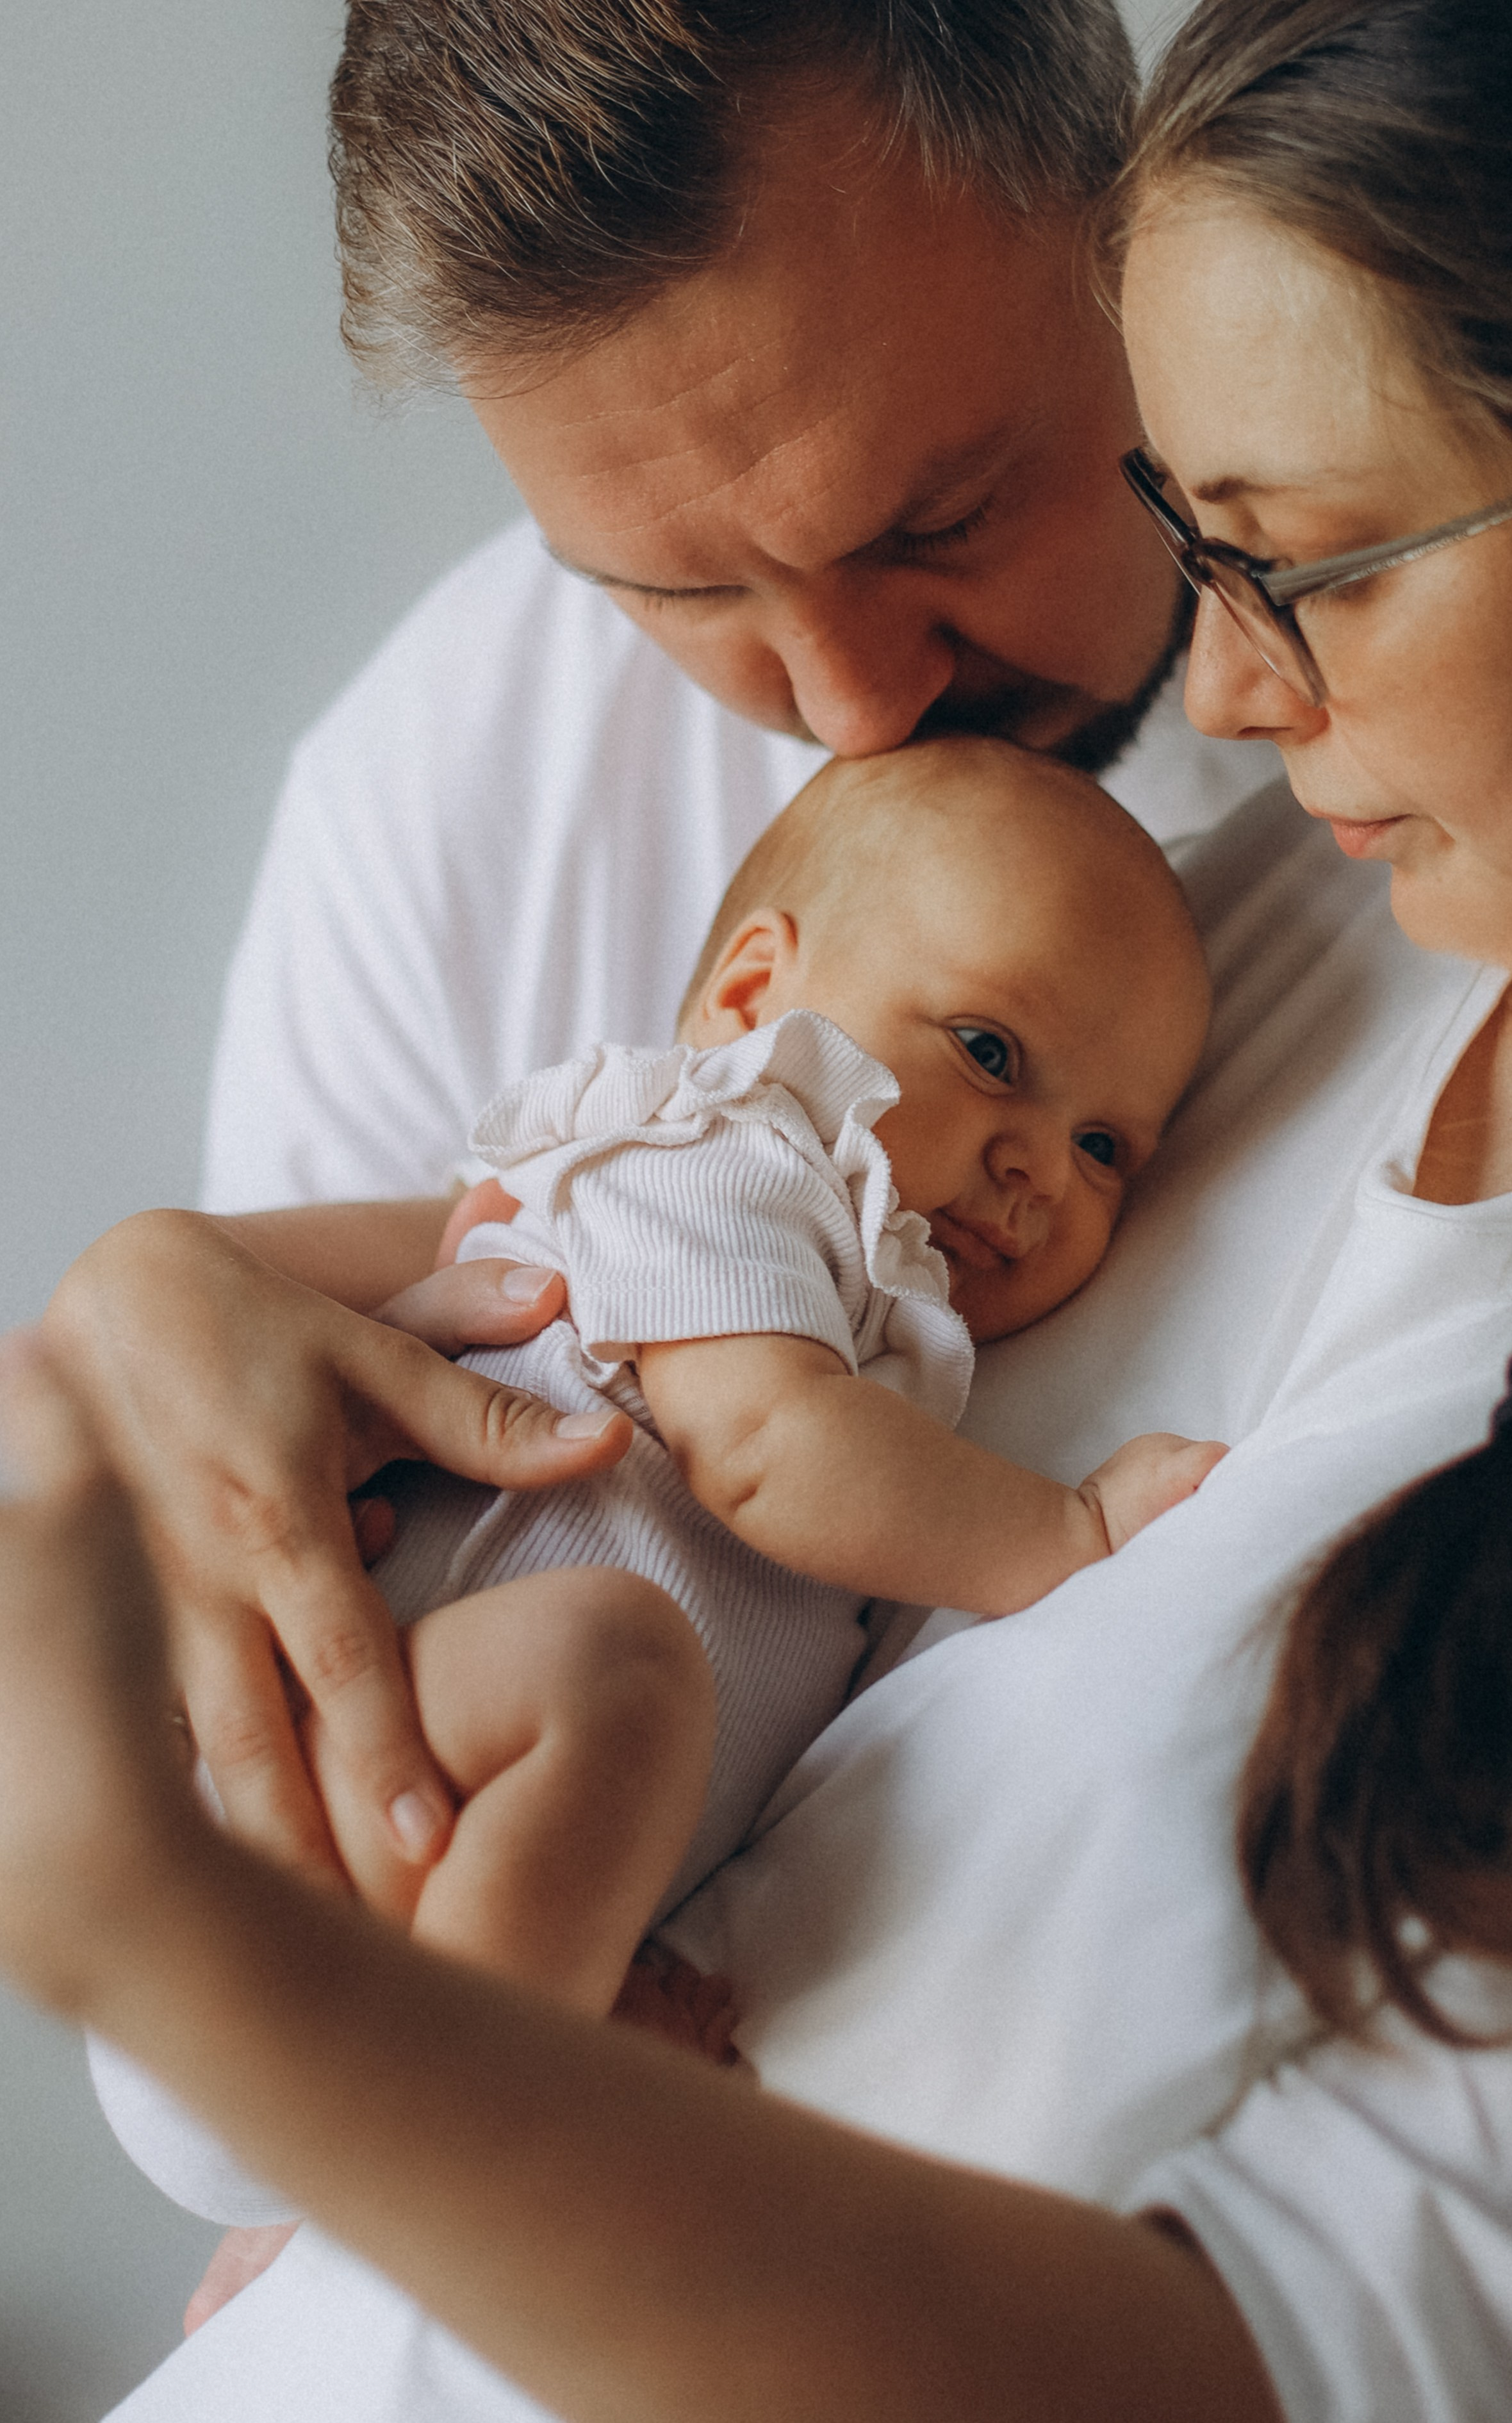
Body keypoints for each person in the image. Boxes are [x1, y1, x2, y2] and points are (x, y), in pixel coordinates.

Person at [34, 0, 1512, 2417]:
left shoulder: (1370, 865)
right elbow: (375, 1470)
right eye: (668, 596)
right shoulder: (444, 808)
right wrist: (163, 1292)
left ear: (1110, 249)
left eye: (935, 521)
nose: (838, 704)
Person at [117, 741, 1219, 2044]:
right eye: (988, 1051)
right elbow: (764, 1452)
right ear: (755, 997)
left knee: (616, 1683)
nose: (1038, 1163)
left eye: (1105, 1147)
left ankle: (408, 2110)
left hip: (404, 1878)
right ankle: (495, 2095)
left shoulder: (885, 1327)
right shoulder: (725, 1152)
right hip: (304, 1806)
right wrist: (1073, 1534)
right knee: (605, 1658)